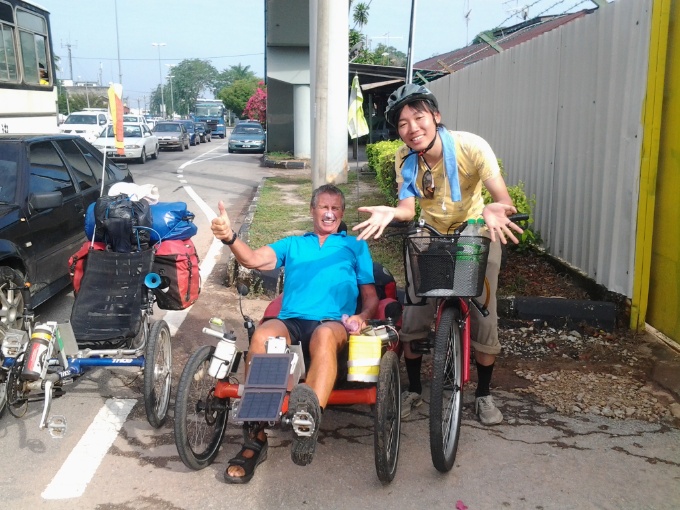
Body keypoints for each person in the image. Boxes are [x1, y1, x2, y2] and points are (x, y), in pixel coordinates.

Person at [353, 84, 523, 425]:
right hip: (430, 232)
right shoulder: (406, 157)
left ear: (436, 117)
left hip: (474, 231)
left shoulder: (470, 146)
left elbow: (504, 201)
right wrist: (391, 213)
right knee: (415, 313)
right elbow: (406, 208)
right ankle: (415, 388)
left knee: (484, 316)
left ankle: (485, 394)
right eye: (402, 124)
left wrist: (493, 210)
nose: (412, 129)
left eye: (419, 117)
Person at [211, 184, 378, 484]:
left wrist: (363, 317)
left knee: (324, 336)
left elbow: (370, 296)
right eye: (323, 207)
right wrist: (230, 237)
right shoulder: (293, 244)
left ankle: (306, 421)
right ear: (312, 210)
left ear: (342, 214)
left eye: (335, 208)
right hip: (292, 320)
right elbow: (250, 259)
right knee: (262, 336)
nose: (329, 213)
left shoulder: (356, 247)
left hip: (333, 323)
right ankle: (255, 439)